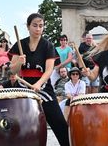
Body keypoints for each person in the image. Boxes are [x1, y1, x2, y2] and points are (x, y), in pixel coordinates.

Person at [9, 13, 70, 146]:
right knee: (19, 124)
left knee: (60, 123)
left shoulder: (48, 46)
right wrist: (19, 62)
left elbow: (49, 70)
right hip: (23, 88)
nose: (38, 29)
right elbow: (12, 70)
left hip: (43, 88)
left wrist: (38, 84)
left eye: (41, 26)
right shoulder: (20, 44)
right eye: (35, 25)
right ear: (28, 26)